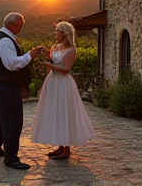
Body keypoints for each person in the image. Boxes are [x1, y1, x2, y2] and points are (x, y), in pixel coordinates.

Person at [31, 21, 95, 159]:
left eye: (57, 31)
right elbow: (55, 59)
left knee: (64, 112)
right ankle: (60, 145)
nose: (55, 33)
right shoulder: (57, 47)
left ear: (64, 33)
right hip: (53, 83)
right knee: (56, 113)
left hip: (63, 84)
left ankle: (67, 149)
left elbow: (66, 69)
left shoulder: (71, 50)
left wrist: (50, 65)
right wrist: (46, 53)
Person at [0, 12, 43, 170]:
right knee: (13, 121)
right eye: (20, 25)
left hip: (0, 85)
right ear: (12, 25)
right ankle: (11, 158)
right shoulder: (5, 41)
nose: (21, 28)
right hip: (6, 87)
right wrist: (30, 56)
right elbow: (12, 64)